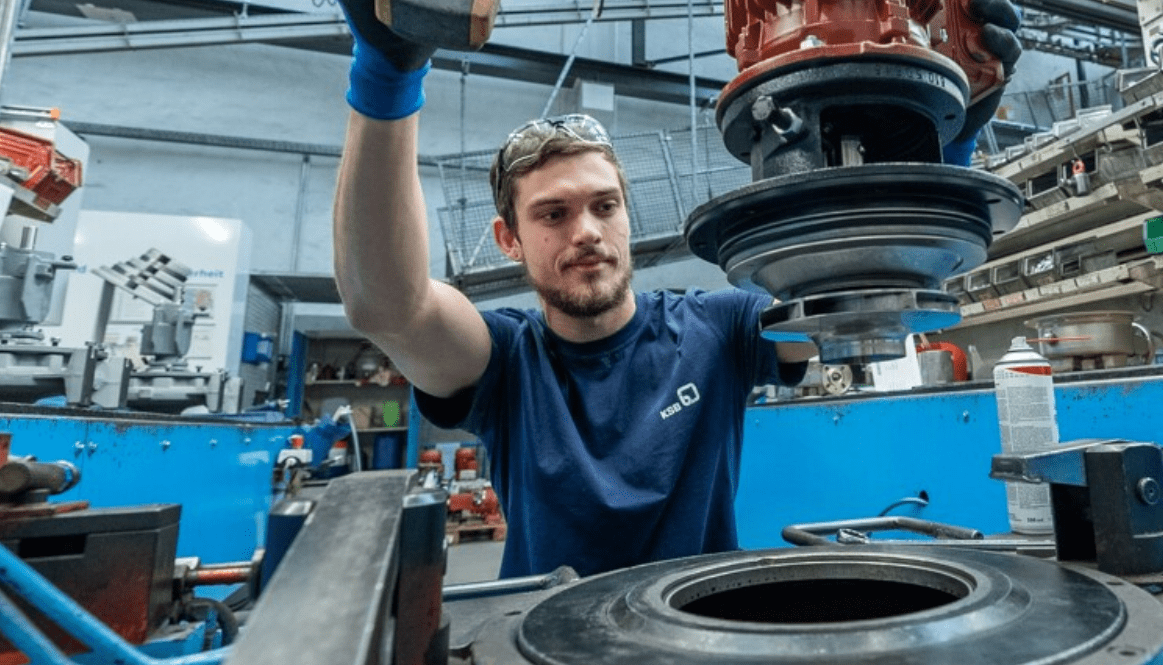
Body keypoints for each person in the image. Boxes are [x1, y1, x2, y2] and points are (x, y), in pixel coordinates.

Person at [332, 0, 1021, 579]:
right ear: (508, 239)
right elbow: (386, 303)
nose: (586, 232)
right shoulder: (506, 360)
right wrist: (387, 76)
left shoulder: (716, 328)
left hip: (701, 631)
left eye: (604, 206)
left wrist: (942, 142)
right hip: (542, 636)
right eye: (552, 213)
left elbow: (858, 291)